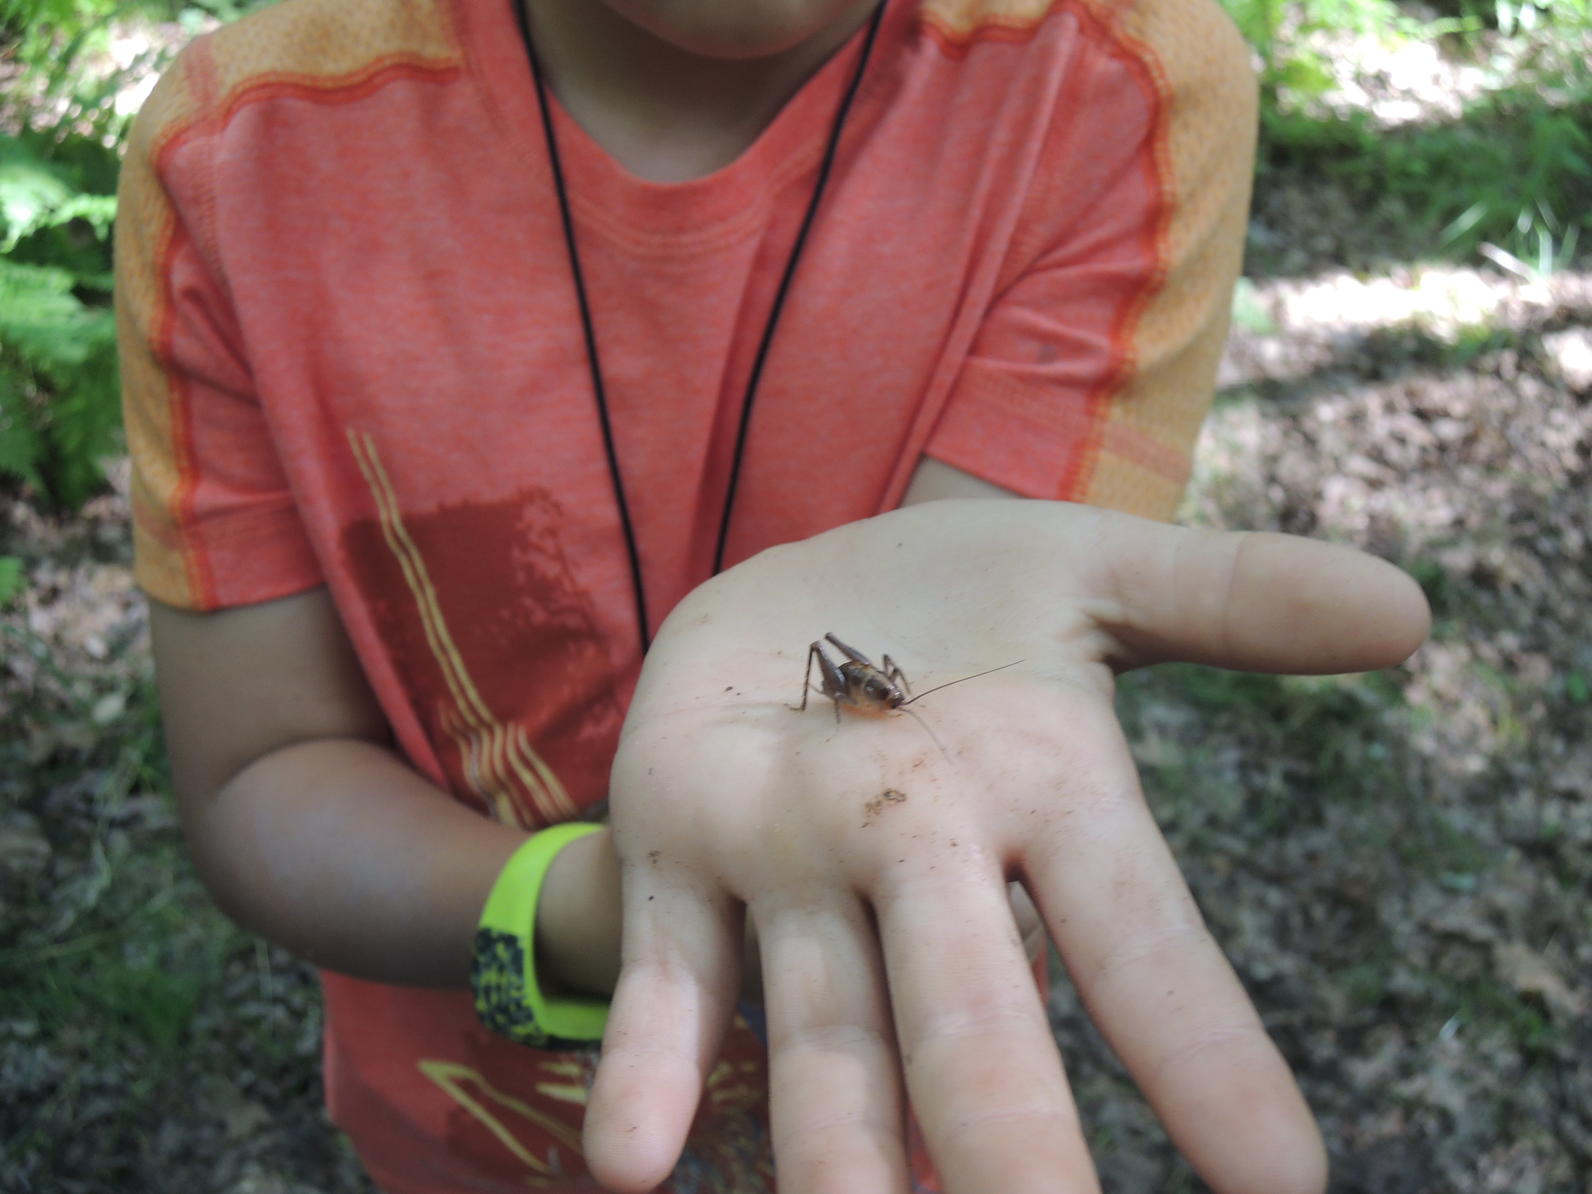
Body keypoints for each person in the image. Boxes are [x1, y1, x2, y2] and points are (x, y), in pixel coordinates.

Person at [115, 0, 1430, 1191]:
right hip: (461, 1115)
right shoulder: (238, 157)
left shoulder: (1113, 79)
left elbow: (950, 684)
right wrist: (591, 905)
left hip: (893, 1064)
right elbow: (257, 772)